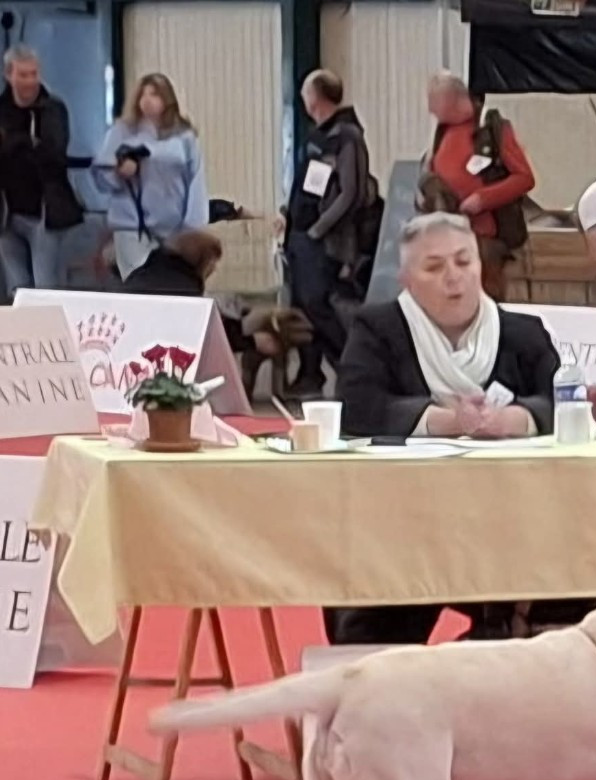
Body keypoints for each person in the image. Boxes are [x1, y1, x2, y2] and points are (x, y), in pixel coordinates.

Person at [329, 212, 558, 646]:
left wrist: (518, 419)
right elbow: (358, 409)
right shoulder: (377, 329)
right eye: (434, 267)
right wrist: (444, 421)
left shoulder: (523, 333)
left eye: (464, 262)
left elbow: (565, 403)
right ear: (406, 280)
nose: (454, 277)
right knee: (374, 625)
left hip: (516, 521)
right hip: (407, 525)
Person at [281, 69, 377, 397]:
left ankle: (354, 369)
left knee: (320, 305)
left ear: (317, 97)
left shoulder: (347, 137)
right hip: (300, 234)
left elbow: (351, 193)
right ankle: (310, 374)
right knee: (303, 309)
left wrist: (318, 230)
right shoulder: (317, 136)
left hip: (323, 241)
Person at [123, 229, 313, 382]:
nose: (214, 269)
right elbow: (208, 335)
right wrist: (253, 341)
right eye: (213, 263)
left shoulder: (139, 276)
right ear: (203, 260)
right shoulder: (186, 291)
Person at [0, 44, 83, 295]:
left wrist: (8, 143)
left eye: (34, 74)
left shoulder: (52, 109)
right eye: (23, 75)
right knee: (17, 288)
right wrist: (20, 144)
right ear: (8, 75)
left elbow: (52, 153)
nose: (30, 81)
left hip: (44, 212)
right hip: (6, 212)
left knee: (45, 286)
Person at [423, 71, 534, 301]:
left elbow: (525, 178)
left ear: (453, 99)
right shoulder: (442, 133)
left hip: (484, 242)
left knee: (485, 303)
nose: (430, 110)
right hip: (449, 238)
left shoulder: (492, 130)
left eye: (434, 102)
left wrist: (483, 199)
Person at [93, 73, 208, 280]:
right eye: (142, 95)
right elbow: (101, 175)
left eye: (154, 94)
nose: (147, 100)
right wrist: (120, 173)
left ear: (167, 99)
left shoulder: (185, 137)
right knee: (140, 283)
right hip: (132, 227)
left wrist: (193, 227)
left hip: (174, 230)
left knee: (172, 283)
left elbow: (196, 181)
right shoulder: (121, 132)